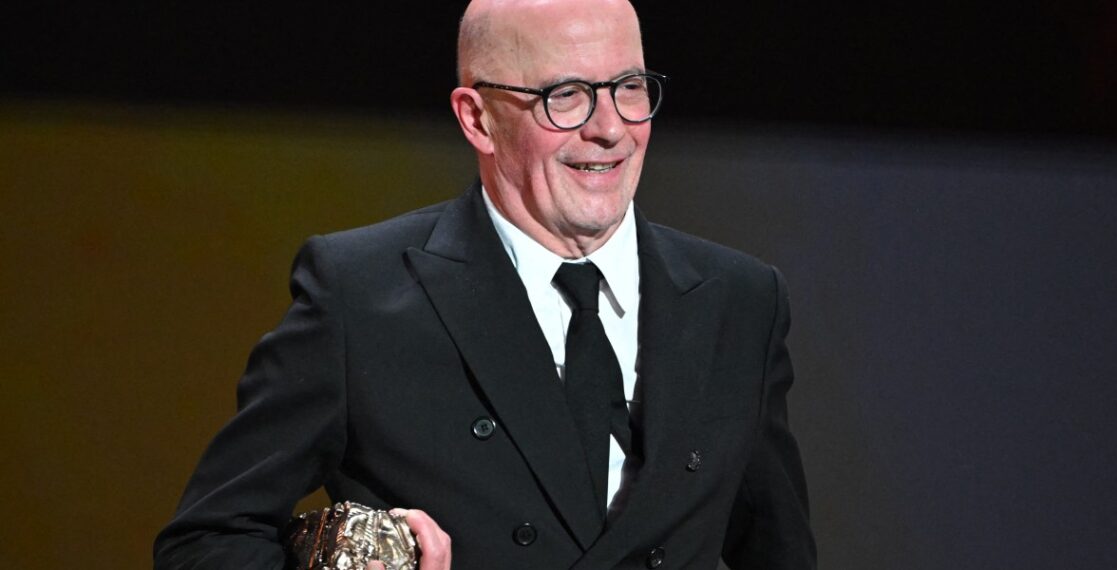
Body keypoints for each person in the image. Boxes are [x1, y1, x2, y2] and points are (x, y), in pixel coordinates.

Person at [154, 0, 816, 568]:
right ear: (477, 118)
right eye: (567, 95)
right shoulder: (359, 297)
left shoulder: (740, 302)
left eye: (630, 87)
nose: (610, 127)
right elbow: (205, 542)